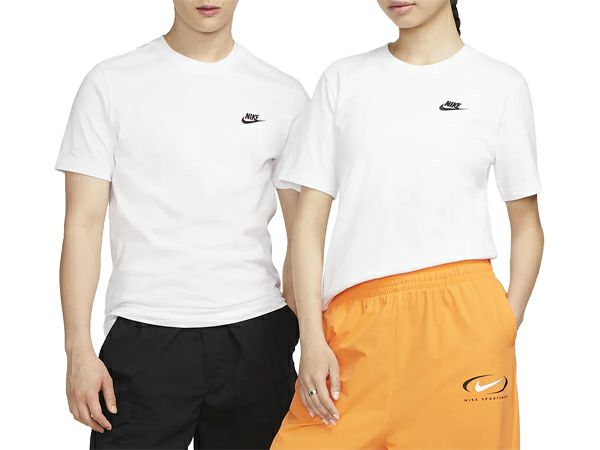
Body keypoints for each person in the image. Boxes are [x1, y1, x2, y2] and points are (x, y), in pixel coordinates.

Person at [271, 0, 543, 448]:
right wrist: (312, 340)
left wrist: (504, 322)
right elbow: (308, 225)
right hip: (355, 325)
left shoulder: (500, 85)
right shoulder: (343, 80)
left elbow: (527, 222)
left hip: (462, 319)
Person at [56, 1, 307, 448]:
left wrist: (302, 332)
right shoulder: (111, 83)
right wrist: (78, 349)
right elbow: (82, 223)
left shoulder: (283, 94)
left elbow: (304, 230)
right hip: (144, 332)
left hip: (256, 334)